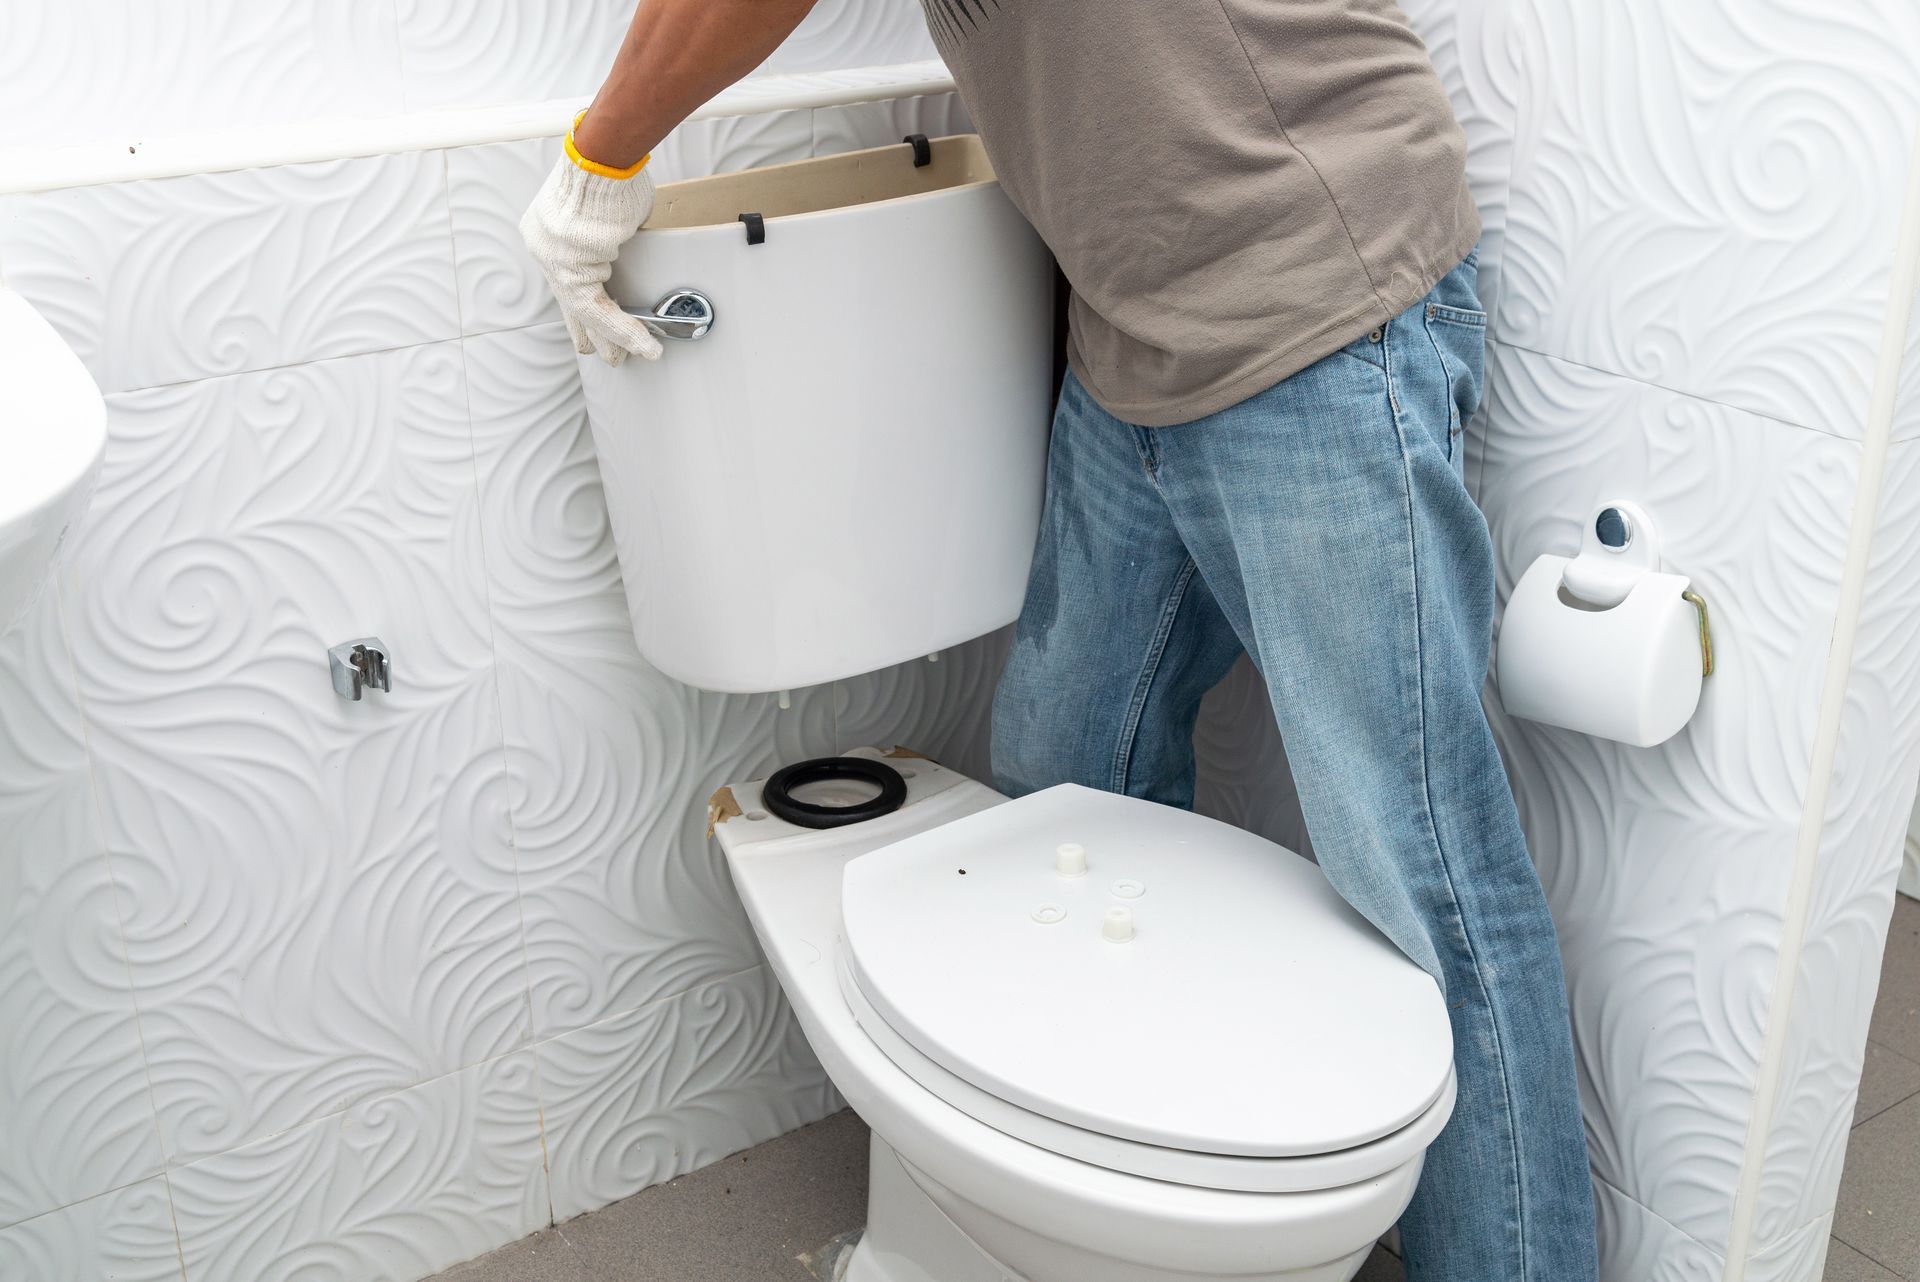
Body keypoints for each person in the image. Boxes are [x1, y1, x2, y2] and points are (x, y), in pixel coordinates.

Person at [521, 2, 1600, 1277]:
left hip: (1308, 309)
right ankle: (1140, 1215)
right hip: (1132, 334)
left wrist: (601, 158)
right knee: (1066, 784)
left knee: (1425, 870)